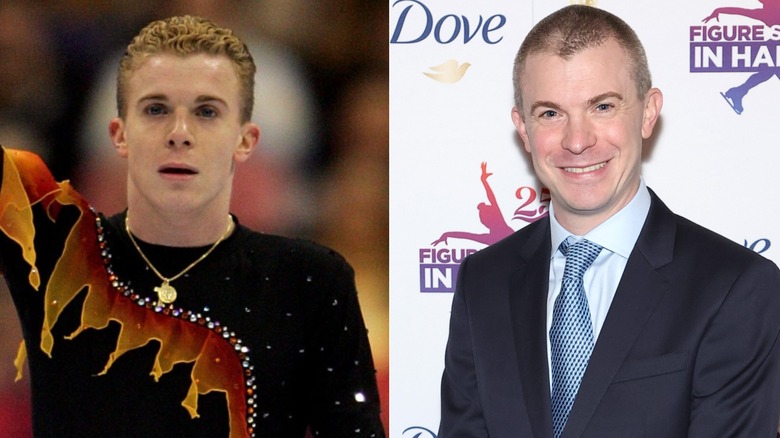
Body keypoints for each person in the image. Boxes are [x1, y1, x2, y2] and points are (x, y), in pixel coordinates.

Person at [0, 15, 385, 437]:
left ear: (246, 140)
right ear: (119, 134)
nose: (179, 133)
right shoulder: (55, 255)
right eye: (156, 109)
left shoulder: (311, 279)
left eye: (206, 111)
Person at [439, 5, 780, 437]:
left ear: (648, 112)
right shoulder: (482, 281)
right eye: (550, 113)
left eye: (602, 106)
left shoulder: (734, 287)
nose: (577, 141)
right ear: (522, 128)